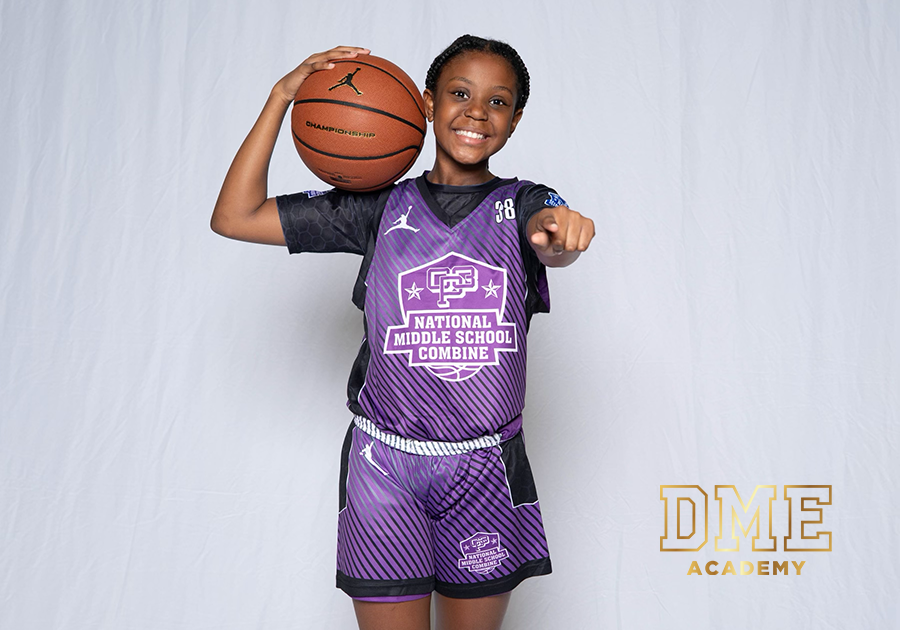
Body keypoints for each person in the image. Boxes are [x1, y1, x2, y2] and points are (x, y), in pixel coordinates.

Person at [212, 35, 594, 630]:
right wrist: (281, 98)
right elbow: (234, 217)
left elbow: (551, 234)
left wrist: (559, 232)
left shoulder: (524, 205)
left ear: (515, 120)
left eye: (498, 102)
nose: (476, 111)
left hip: (484, 468)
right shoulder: (377, 208)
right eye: (460, 93)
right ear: (424, 102)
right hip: (383, 462)